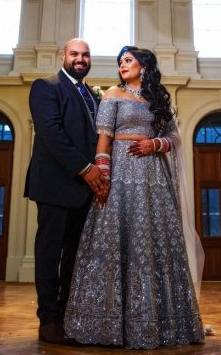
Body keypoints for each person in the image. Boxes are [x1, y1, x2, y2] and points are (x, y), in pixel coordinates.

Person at [63, 46, 205, 349]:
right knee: (116, 239)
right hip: (121, 174)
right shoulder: (113, 94)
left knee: (153, 242)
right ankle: (105, 322)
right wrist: (102, 177)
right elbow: (104, 138)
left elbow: (174, 138)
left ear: (144, 65)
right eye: (120, 62)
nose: (122, 65)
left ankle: (160, 320)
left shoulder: (158, 99)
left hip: (153, 177)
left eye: (128, 60)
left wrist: (154, 144)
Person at [24, 38, 108, 344]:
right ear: (64, 56)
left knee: (74, 256)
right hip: (55, 185)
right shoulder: (46, 87)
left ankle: (67, 316)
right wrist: (86, 169)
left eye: (86, 54)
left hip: (84, 191)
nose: (81, 59)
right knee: (49, 254)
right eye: (75, 54)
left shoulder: (92, 94)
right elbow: (52, 133)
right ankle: (48, 321)